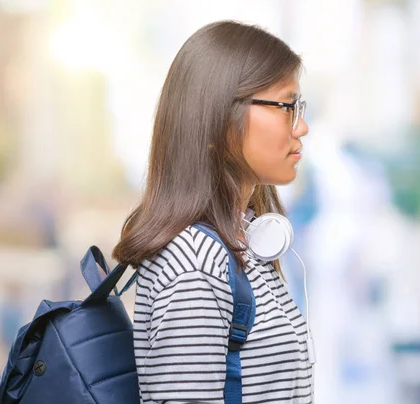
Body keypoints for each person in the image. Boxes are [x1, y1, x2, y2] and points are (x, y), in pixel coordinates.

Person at [112, 20, 312, 404]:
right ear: (222, 116)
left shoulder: (242, 242)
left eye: (299, 107)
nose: (301, 126)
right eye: (287, 106)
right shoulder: (195, 267)